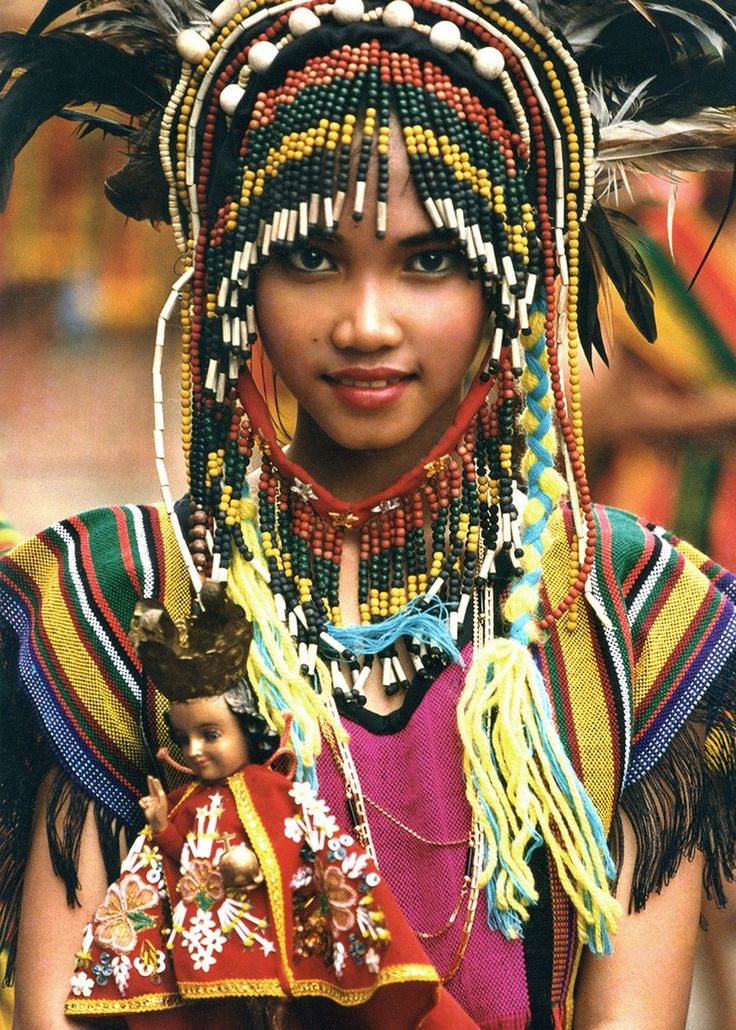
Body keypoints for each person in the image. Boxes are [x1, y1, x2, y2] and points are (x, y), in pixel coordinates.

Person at [1, 2, 736, 1028]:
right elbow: (57, 1006)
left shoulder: (627, 612)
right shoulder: (126, 595)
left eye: (430, 260)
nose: (366, 321)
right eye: (310, 257)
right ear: (233, 275)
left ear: (511, 280)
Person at [64, 586, 439, 1028]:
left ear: (246, 727)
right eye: (185, 740)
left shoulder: (275, 791)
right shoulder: (189, 803)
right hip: (215, 946)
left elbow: (315, 848)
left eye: (210, 734)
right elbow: (178, 855)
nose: (195, 751)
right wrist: (163, 825)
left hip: (278, 935)